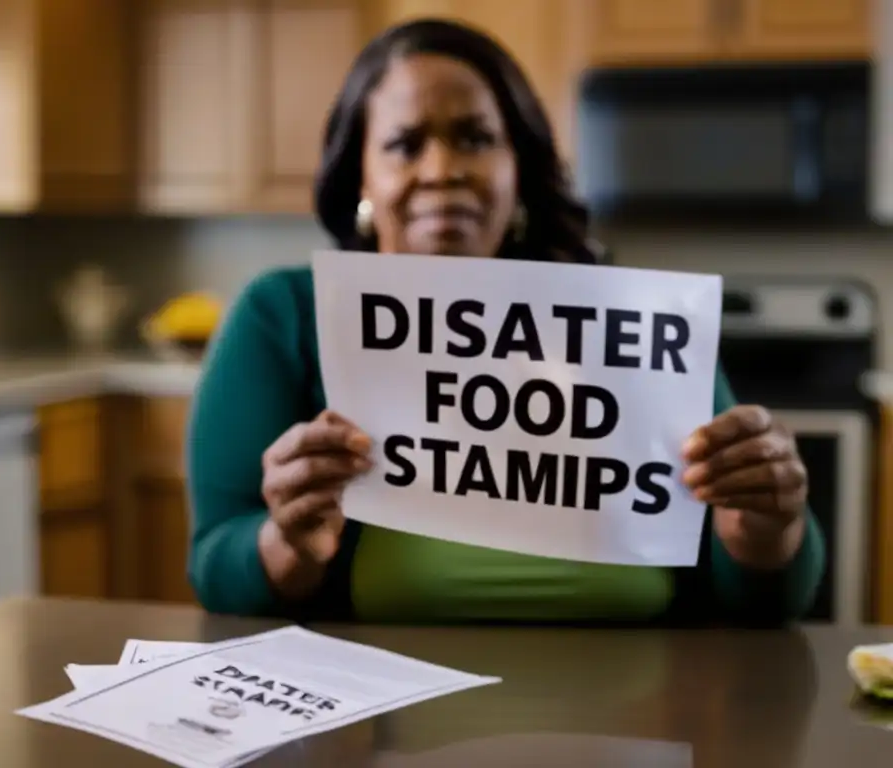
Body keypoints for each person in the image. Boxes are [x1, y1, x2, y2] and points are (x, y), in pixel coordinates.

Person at [185, 18, 825, 626]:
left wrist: (765, 530)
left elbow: (772, 594)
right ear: (362, 177)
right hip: (376, 732)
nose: (442, 170)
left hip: (649, 722)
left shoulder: (629, 321)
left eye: (475, 138)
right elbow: (215, 566)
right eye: (405, 145)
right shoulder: (284, 317)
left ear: (518, 170)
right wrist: (287, 543)